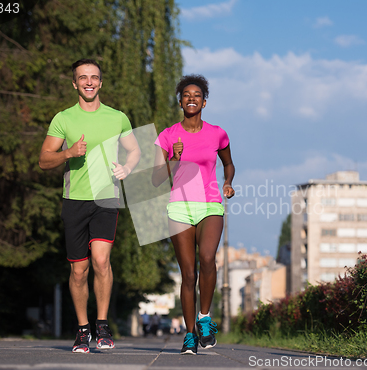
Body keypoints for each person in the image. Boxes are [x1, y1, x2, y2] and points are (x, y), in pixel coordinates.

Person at [39, 59, 140, 353]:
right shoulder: (63, 119)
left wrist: (128, 168)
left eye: (94, 77)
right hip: (74, 200)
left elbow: (134, 150)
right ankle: (83, 329)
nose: (89, 82)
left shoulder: (117, 117)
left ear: (101, 82)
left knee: (101, 261)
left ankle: (102, 325)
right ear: (74, 83)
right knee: (79, 271)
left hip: (106, 197)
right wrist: (68, 152)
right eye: (83, 77)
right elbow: (44, 159)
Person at [152, 74, 235, 355]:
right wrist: (172, 160)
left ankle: (205, 317)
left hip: (210, 203)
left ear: (204, 102)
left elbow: (229, 164)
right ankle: (189, 335)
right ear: (180, 101)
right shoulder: (167, 135)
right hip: (179, 207)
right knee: (188, 274)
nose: (191, 98)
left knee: (208, 258)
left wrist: (227, 183)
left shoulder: (217, 133)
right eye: (186, 95)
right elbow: (154, 180)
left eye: (196, 95)